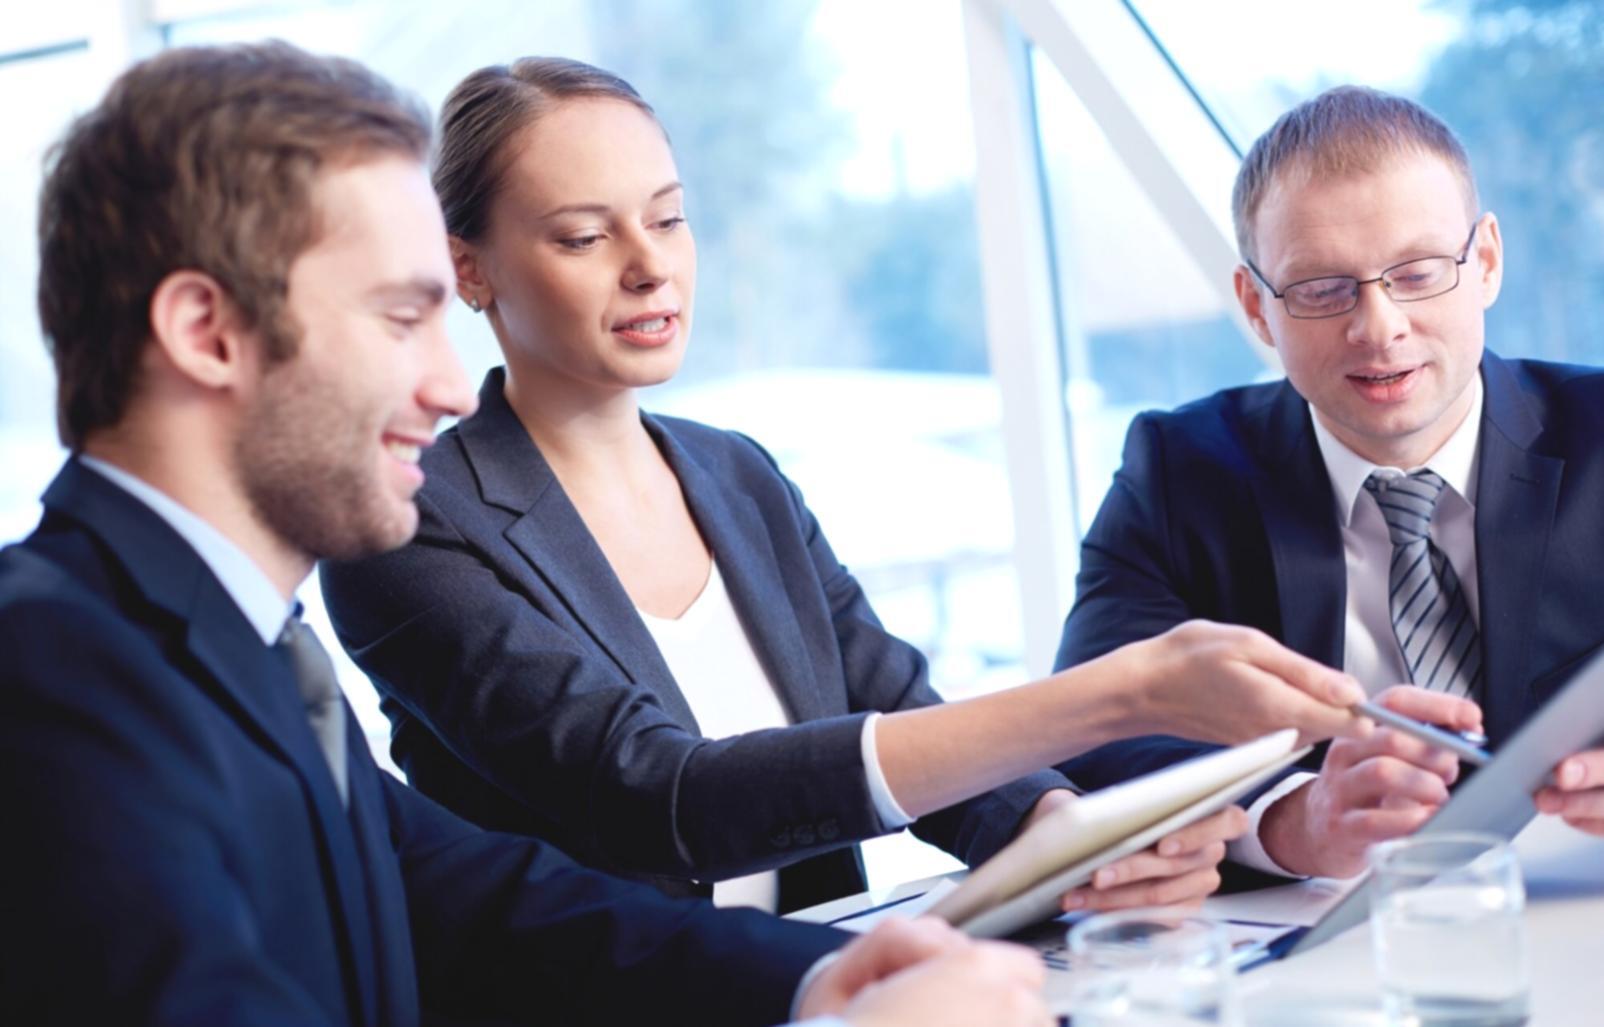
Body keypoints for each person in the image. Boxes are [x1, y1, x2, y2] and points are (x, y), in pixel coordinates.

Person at [0, 40, 1060, 1027]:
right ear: (207, 333)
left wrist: (818, 980)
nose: (451, 385)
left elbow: (489, 898)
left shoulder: (233, 647)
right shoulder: (51, 670)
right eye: (398, 317)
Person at [321, 56, 1364, 917]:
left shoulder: (737, 476)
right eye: (585, 236)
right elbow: (658, 793)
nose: (649, 267)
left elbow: (895, 710)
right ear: (469, 270)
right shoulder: (412, 524)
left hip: (829, 977)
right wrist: (1112, 695)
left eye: (668, 218)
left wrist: (1055, 835)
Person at [1056, 85, 1604, 881]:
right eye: (1321, 289)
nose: (1378, 327)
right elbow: (1086, 729)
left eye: (1416, 273)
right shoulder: (1178, 471)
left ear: (1483, 262)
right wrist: (1288, 819)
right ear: (1256, 306)